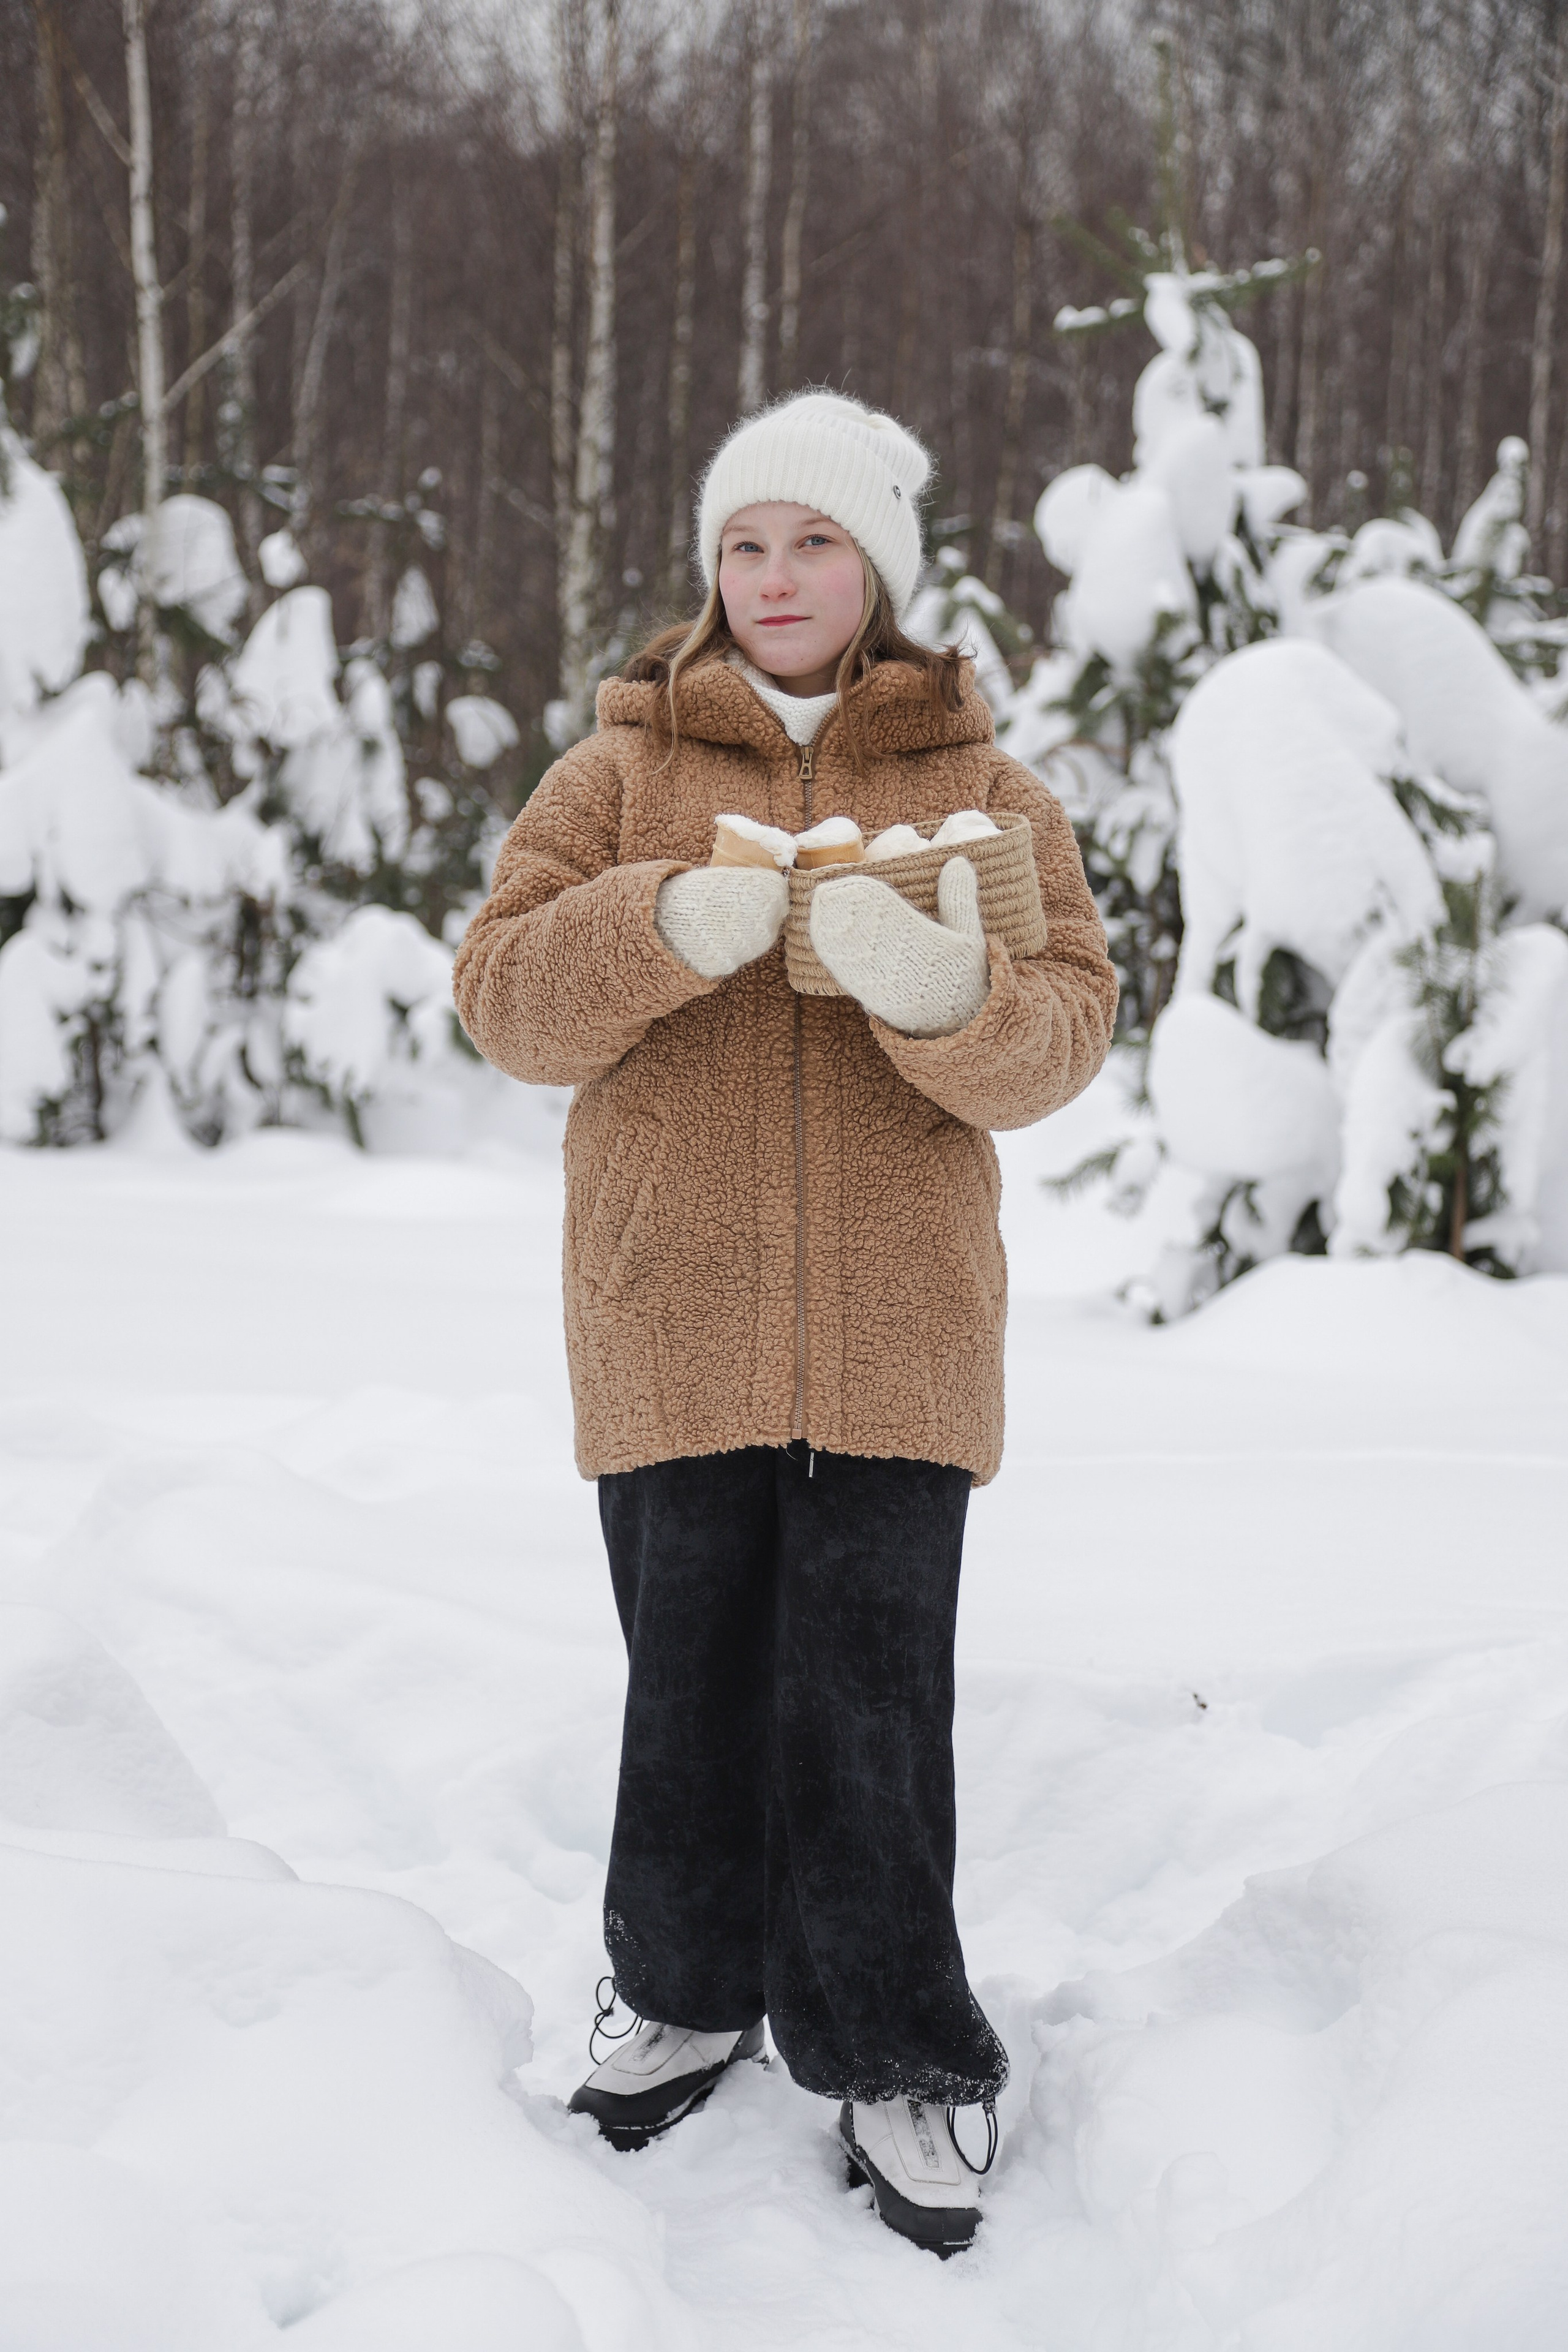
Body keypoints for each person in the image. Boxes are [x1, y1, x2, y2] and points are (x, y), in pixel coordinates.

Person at [453, 390, 1117, 2256]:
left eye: (812, 541)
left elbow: (1062, 1033)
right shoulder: (621, 773)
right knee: (691, 1692)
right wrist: (664, 923)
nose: (774, 576)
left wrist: (936, 995)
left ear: (881, 568)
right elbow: (506, 1000)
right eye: (745, 543)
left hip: (903, 1334)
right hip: (672, 1315)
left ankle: (901, 2047)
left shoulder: (983, 789)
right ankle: (680, 1990)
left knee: (872, 1707)